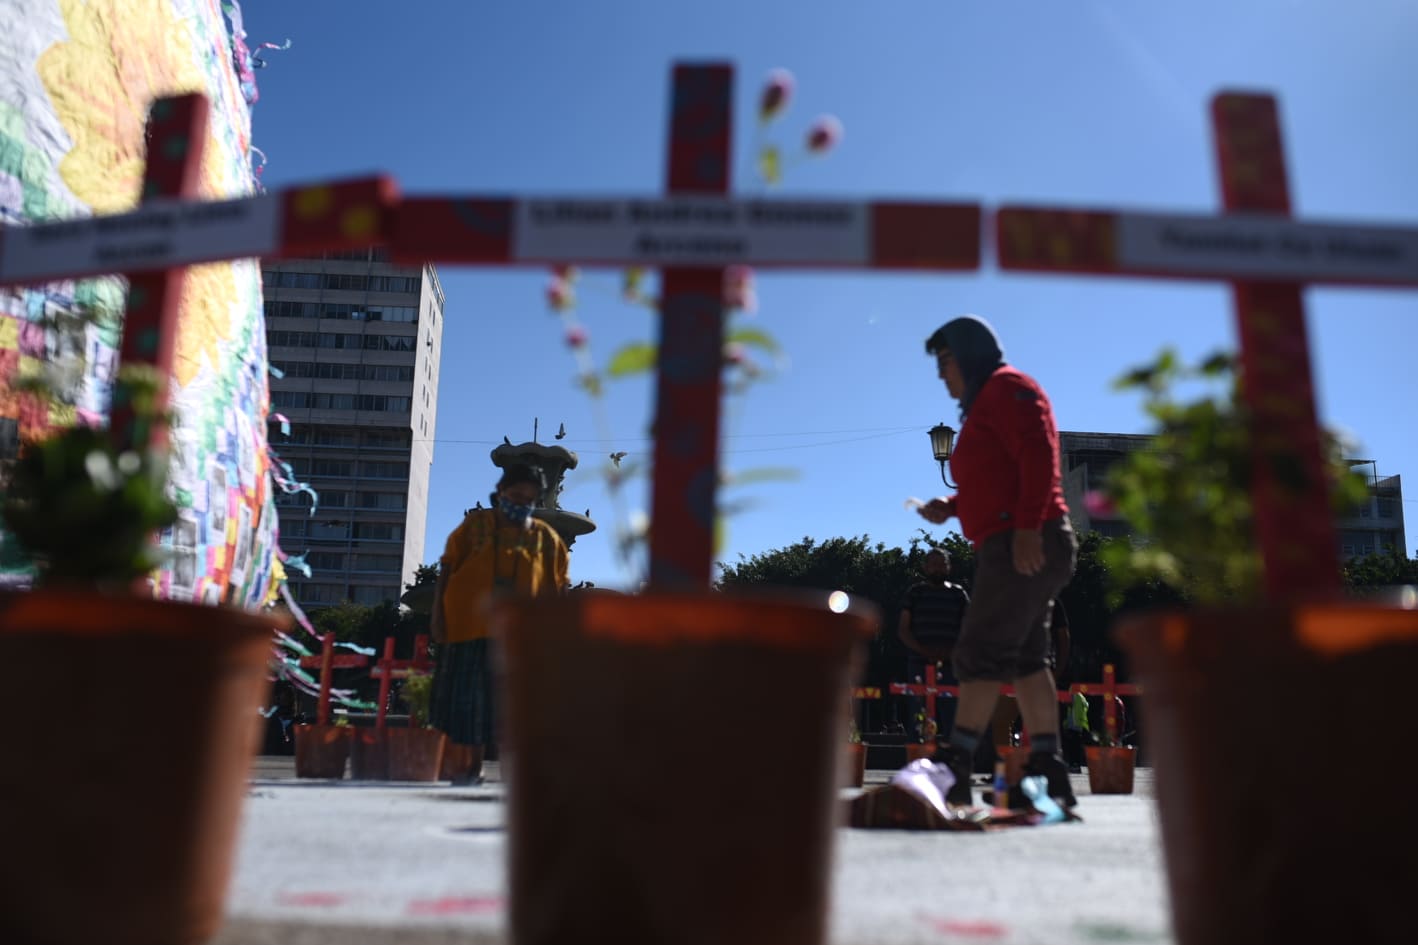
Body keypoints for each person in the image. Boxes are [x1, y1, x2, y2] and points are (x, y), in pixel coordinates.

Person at [916, 315, 1079, 809]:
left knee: (980, 650)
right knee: (1028, 658)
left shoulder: (1009, 388)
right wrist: (954, 507)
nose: (941, 375)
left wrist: (1028, 527)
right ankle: (1049, 772)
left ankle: (955, 766)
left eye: (944, 363)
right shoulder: (986, 403)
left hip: (1021, 540)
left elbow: (1039, 452)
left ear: (965, 357)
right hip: (1017, 535)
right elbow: (999, 479)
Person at [429, 464, 569, 785]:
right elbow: (448, 569)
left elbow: (559, 588)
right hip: (468, 629)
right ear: (501, 491)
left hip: (524, 639)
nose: (520, 502)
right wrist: (438, 614)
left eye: (529, 498)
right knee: (469, 704)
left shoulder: (547, 539)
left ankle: (515, 778)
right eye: (515, 495)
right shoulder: (475, 525)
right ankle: (468, 770)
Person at [897, 548, 969, 745]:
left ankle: (952, 765)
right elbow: (903, 629)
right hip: (919, 663)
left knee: (952, 716)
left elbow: (968, 629)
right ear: (926, 567)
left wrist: (951, 652)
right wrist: (923, 651)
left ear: (949, 567)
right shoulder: (915, 593)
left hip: (951, 665)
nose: (938, 569)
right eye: (933, 564)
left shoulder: (958, 594)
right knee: (917, 716)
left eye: (942, 564)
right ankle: (916, 762)